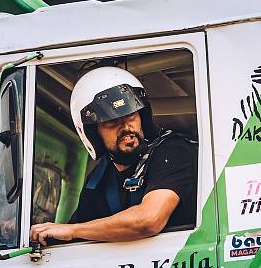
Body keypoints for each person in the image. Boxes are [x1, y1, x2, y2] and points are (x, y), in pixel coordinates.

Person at [29, 66, 196, 245]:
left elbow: (149, 220)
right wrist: (34, 234)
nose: (126, 128)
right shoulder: (99, 179)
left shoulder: (172, 151)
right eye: (111, 121)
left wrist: (73, 230)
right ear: (93, 133)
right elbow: (73, 236)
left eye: (131, 115)